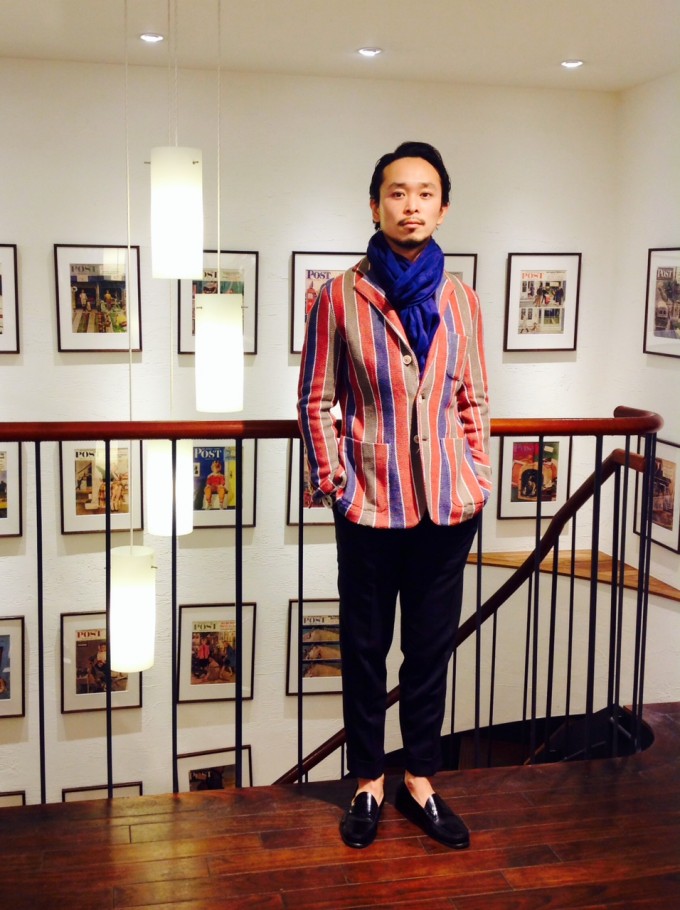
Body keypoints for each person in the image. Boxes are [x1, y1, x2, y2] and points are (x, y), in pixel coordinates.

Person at [297, 141, 491, 850]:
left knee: (430, 651)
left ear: (444, 207)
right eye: (398, 193)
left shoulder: (461, 299)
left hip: (447, 506)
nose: (412, 206)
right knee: (364, 649)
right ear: (375, 205)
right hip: (370, 506)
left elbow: (472, 398)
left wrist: (478, 473)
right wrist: (336, 484)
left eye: (425, 193)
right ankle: (368, 781)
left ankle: (421, 780)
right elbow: (314, 399)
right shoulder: (338, 297)